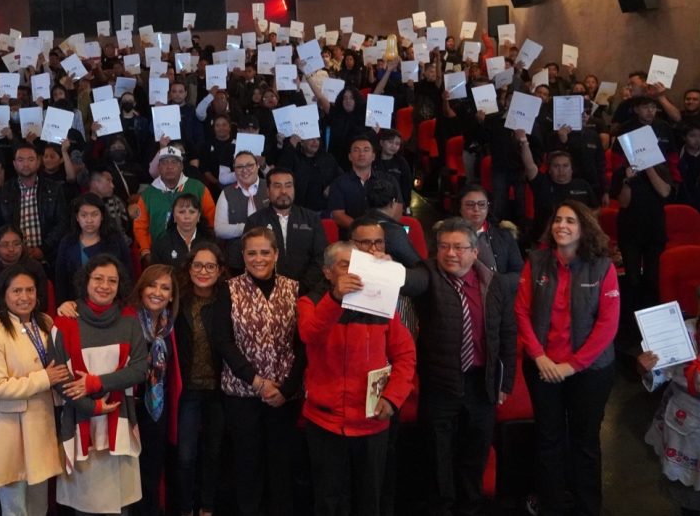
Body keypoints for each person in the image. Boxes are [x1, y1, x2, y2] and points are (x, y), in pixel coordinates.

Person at [515, 201, 619, 516]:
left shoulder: (602, 266)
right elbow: (521, 311)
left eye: (570, 221)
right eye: (558, 219)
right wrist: (539, 357)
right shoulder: (537, 261)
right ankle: (552, 504)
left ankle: (588, 507)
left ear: (584, 227)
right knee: (548, 438)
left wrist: (572, 365)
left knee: (585, 442)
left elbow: (608, 324)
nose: (562, 225)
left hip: (590, 372)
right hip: (543, 368)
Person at [298, 241, 416, 516]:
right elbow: (310, 334)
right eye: (343, 266)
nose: (351, 272)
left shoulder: (382, 307)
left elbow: (405, 355)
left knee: (368, 502)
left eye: (356, 266)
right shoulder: (310, 302)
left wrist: (393, 397)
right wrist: (336, 299)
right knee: (329, 501)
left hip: (371, 423)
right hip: (324, 423)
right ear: (327, 273)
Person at [408, 217, 517, 516]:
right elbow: (409, 281)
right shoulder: (428, 273)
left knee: (475, 451)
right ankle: (442, 507)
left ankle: (470, 506)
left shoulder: (494, 283)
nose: (450, 253)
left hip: (481, 383)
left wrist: (505, 384)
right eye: (444, 246)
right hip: (440, 383)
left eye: (458, 247)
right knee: (438, 454)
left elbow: (507, 333)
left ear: (474, 251)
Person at [212, 227, 305, 516]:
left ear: (276, 254)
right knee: (247, 464)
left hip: (283, 394)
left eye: (265, 252)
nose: (258, 258)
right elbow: (223, 341)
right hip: (242, 393)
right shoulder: (229, 288)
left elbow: (302, 344)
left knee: (281, 465)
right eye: (251, 252)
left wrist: (285, 389)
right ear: (243, 256)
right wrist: (256, 381)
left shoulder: (295, 288)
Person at [54, 254, 149, 515]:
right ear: (86, 281)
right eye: (98, 279)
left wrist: (96, 382)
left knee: (119, 505)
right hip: (82, 420)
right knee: (87, 505)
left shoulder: (129, 319)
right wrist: (93, 407)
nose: (105, 286)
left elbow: (140, 369)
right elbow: (61, 379)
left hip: (119, 420)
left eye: (112, 281)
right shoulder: (65, 321)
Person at [0, 265, 68, 516]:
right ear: (4, 295)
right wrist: (44, 378)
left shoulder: (46, 323)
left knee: (39, 506)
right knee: (15, 508)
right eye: (16, 291)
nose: (24, 297)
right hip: (10, 428)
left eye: (29, 290)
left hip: (42, 423)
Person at [639, 278, 700, 516]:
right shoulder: (680, 332)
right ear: (698, 303)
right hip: (686, 425)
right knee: (688, 498)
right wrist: (645, 366)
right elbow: (657, 374)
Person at [174, 242, 226, 516]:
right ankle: (185, 508)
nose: (203, 271)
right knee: (186, 455)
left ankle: (207, 508)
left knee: (215, 453)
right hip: (188, 390)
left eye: (210, 266)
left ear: (219, 270)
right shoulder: (177, 300)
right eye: (197, 265)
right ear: (189, 268)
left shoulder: (227, 300)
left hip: (219, 389)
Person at [133, 264, 180, 516]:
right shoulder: (127, 319)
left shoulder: (170, 327)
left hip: (157, 409)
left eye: (165, 288)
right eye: (152, 285)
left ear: (172, 295)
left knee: (152, 471)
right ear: (141, 289)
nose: (158, 292)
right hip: (128, 407)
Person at [612, 159, 672, 333]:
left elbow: (664, 192)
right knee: (632, 279)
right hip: (630, 232)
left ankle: (652, 325)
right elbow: (623, 202)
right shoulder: (621, 172)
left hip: (655, 231)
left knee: (653, 278)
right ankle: (632, 326)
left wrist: (649, 168)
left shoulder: (660, 168)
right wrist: (627, 180)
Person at [243, 168, 328, 291]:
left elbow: (321, 257)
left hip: (307, 290)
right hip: (265, 290)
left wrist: (300, 287)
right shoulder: (255, 221)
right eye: (277, 186)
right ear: (268, 191)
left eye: (288, 186)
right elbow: (249, 259)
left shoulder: (311, 219)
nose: (283, 191)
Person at [0, 142, 68, 268]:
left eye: (30, 159)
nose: (25, 164)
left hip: (48, 257)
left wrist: (43, 248)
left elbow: (63, 222)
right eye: (20, 160)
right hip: (13, 259)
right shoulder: (3, 191)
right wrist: (14, 246)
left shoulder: (54, 188)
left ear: (38, 162)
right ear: (14, 164)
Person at [134, 146, 216, 263]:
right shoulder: (148, 194)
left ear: (182, 166)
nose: (169, 166)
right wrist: (146, 251)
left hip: (196, 252)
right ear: (159, 167)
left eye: (174, 162)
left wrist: (211, 245)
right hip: (159, 254)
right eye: (164, 163)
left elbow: (211, 218)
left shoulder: (198, 187)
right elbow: (140, 226)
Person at [56, 193, 133, 302]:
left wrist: (125, 302)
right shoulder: (67, 242)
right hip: (76, 304)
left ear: (102, 216)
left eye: (94, 214)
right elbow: (61, 281)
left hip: (112, 302)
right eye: (84, 215)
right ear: (77, 217)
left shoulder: (115, 239)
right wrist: (64, 305)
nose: (89, 220)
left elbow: (127, 274)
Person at [458, 184, 524, 293]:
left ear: (488, 208)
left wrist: (499, 283)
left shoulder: (504, 235)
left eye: (482, 204)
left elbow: (519, 272)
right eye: (470, 205)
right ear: (460, 208)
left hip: (498, 295)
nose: (476, 209)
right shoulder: (449, 236)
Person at [214, 151, 269, 268]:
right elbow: (219, 229)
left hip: (270, 256)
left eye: (249, 165)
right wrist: (248, 228)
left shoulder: (270, 187)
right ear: (234, 170)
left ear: (257, 166)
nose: (245, 170)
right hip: (237, 260)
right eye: (239, 167)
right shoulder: (226, 193)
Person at [0, 225, 50, 305]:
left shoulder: (34, 267)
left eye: (16, 244)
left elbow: (42, 302)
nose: (11, 249)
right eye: (5, 245)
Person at [151, 192, 216, 268]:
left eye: (192, 212)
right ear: (174, 217)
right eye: (182, 212)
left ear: (198, 216)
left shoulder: (211, 241)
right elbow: (156, 275)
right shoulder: (161, 244)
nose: (187, 216)